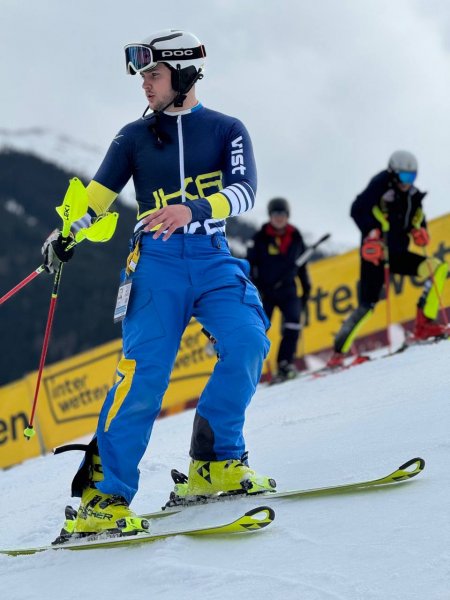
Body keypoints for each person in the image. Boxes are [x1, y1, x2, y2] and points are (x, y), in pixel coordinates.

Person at [42, 29, 276, 539]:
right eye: (143, 75)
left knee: (248, 342)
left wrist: (193, 208)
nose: (145, 84)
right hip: (155, 264)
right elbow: (96, 202)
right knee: (144, 375)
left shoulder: (227, 129)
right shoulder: (132, 137)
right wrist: (66, 234)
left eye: (154, 73)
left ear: (185, 74)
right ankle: (103, 499)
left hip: (213, 255)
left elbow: (244, 192)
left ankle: (215, 463)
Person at [327, 150, 448, 368]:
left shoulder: (413, 196)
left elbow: (418, 218)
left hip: (399, 253)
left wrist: (420, 231)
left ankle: (424, 324)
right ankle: (338, 354)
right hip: (377, 254)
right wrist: (371, 233)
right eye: (404, 176)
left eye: (412, 177)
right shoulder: (380, 185)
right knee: (368, 304)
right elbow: (357, 210)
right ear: (393, 173)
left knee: (438, 268)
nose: (407, 182)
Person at [247, 198, 311, 383]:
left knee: (293, 325)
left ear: (287, 215)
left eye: (282, 214)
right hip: (265, 293)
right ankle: (250, 368)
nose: (279, 218)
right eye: (275, 214)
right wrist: (256, 288)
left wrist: (306, 288)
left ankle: (285, 364)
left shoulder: (295, 236)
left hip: (288, 290)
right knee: (259, 329)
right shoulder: (260, 237)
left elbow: (302, 266)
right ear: (270, 216)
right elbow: (250, 265)